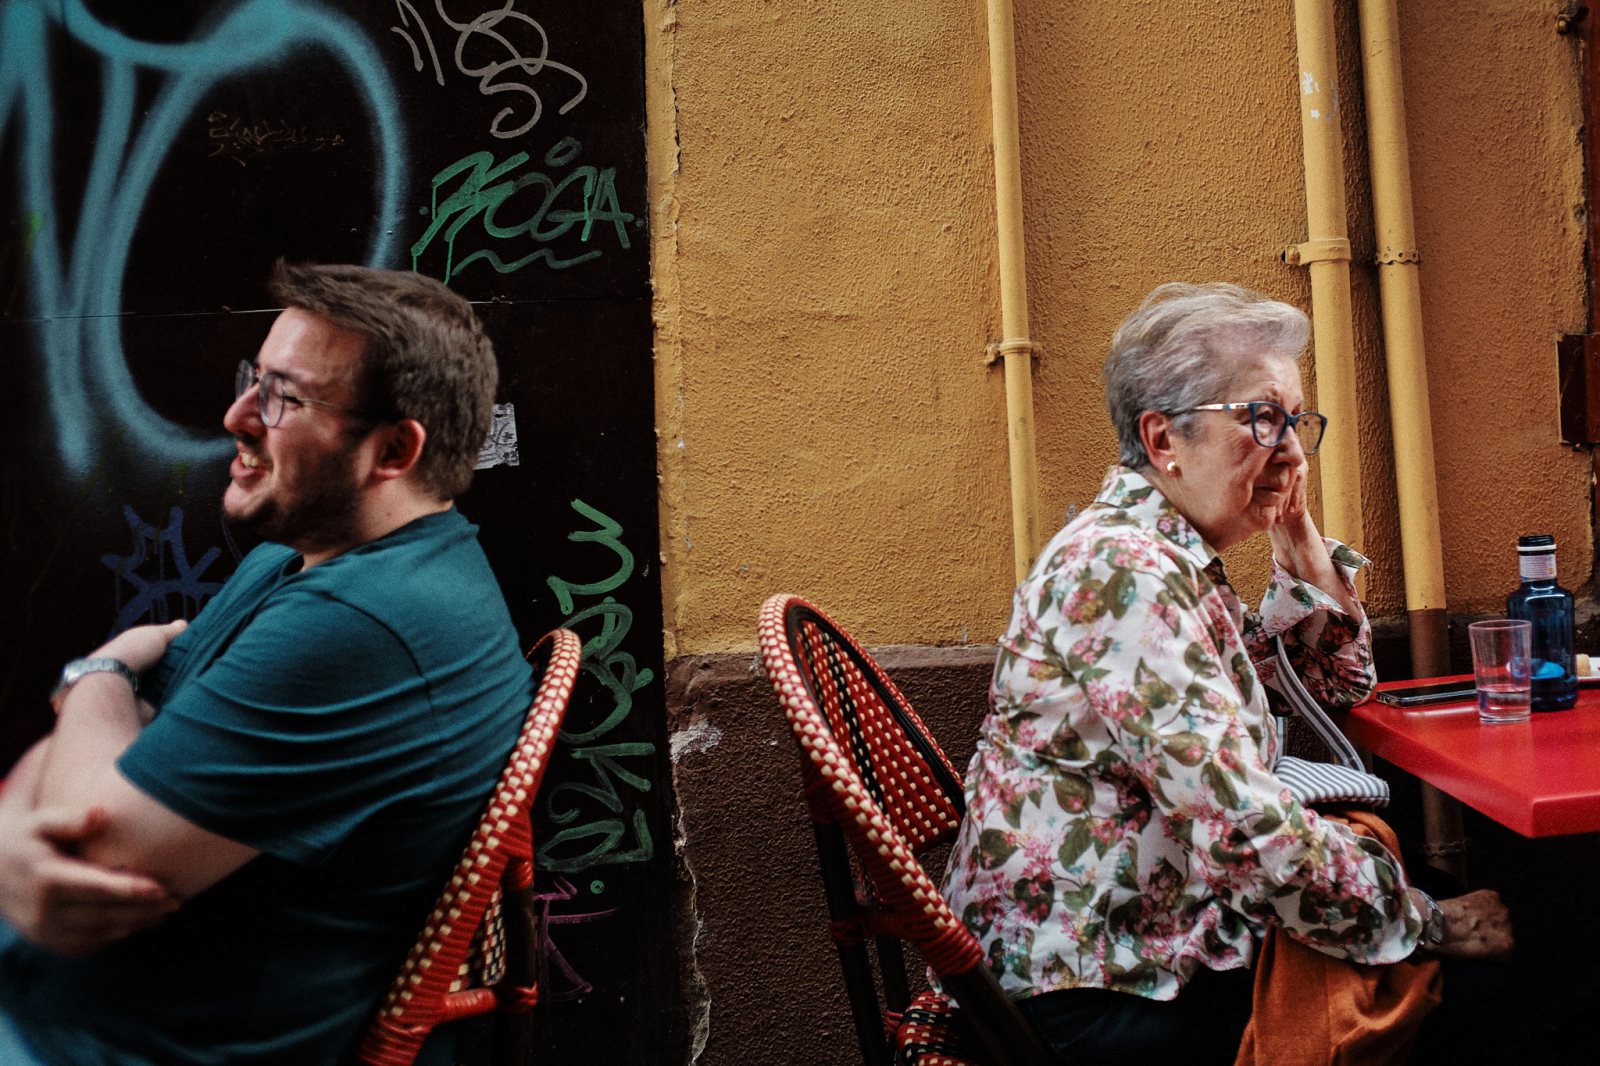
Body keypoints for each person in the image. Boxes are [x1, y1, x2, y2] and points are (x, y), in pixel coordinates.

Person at [940, 282, 1513, 1064]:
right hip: (1097, 986)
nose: (1291, 449)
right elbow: (1243, 835)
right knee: (1485, 986)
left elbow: (1332, 689)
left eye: (1297, 422)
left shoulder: (1169, 554)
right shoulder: (1123, 572)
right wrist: (1423, 919)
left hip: (1146, 938)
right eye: (1261, 418)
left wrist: (1295, 527)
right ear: (1163, 439)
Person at [0, 262, 534, 1064]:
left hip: (111, 1043)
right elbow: (109, 761)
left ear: (392, 448)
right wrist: (8, 840)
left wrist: (97, 674)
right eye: (256, 379)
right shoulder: (304, 562)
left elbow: (89, 837)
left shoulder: (363, 625)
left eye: (284, 397)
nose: (238, 415)